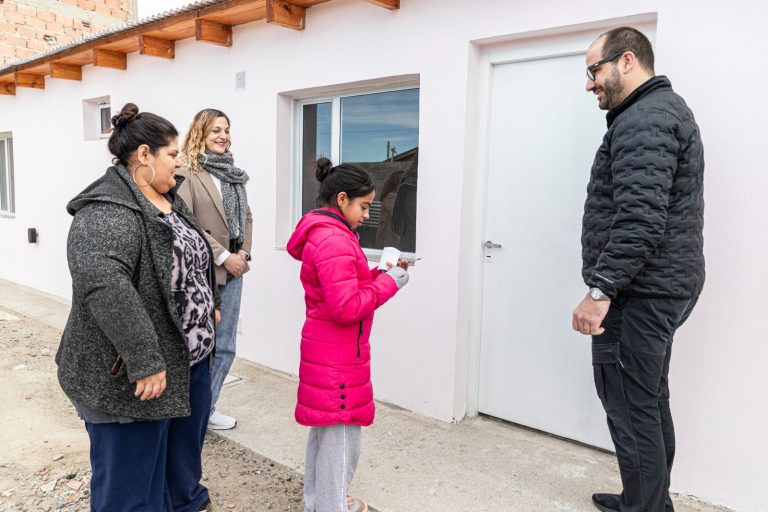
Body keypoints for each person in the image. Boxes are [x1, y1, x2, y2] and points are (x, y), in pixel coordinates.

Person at [57, 103, 220, 512]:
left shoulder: (167, 198)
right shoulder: (106, 211)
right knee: (130, 488)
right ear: (144, 154)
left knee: (176, 466)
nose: (179, 163)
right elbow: (104, 286)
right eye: (173, 154)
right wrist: (145, 359)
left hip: (188, 362)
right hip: (133, 376)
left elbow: (193, 258)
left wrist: (210, 307)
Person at [571, 27, 704, 512]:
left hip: (639, 291)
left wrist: (600, 290)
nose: (590, 83)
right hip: (659, 285)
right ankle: (646, 500)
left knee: (631, 406)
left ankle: (646, 507)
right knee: (646, 400)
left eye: (594, 70)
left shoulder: (644, 118)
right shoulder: (658, 111)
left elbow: (641, 219)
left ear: (626, 60)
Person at [287, 158, 410, 512]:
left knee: (326, 435)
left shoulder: (329, 233)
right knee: (342, 443)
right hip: (337, 356)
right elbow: (346, 307)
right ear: (342, 199)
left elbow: (343, 288)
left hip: (330, 351)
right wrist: (391, 283)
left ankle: (319, 503)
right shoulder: (335, 240)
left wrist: (378, 274)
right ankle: (331, 506)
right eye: (364, 206)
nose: (367, 215)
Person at [178, 109, 253, 431]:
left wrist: (243, 253)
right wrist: (223, 256)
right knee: (198, 346)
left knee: (225, 346)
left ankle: (207, 410)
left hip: (235, 269)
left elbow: (247, 217)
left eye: (226, 130)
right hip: (204, 272)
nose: (223, 136)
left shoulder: (234, 175)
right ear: (200, 134)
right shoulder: (187, 173)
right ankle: (189, 413)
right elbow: (186, 222)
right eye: (215, 131)